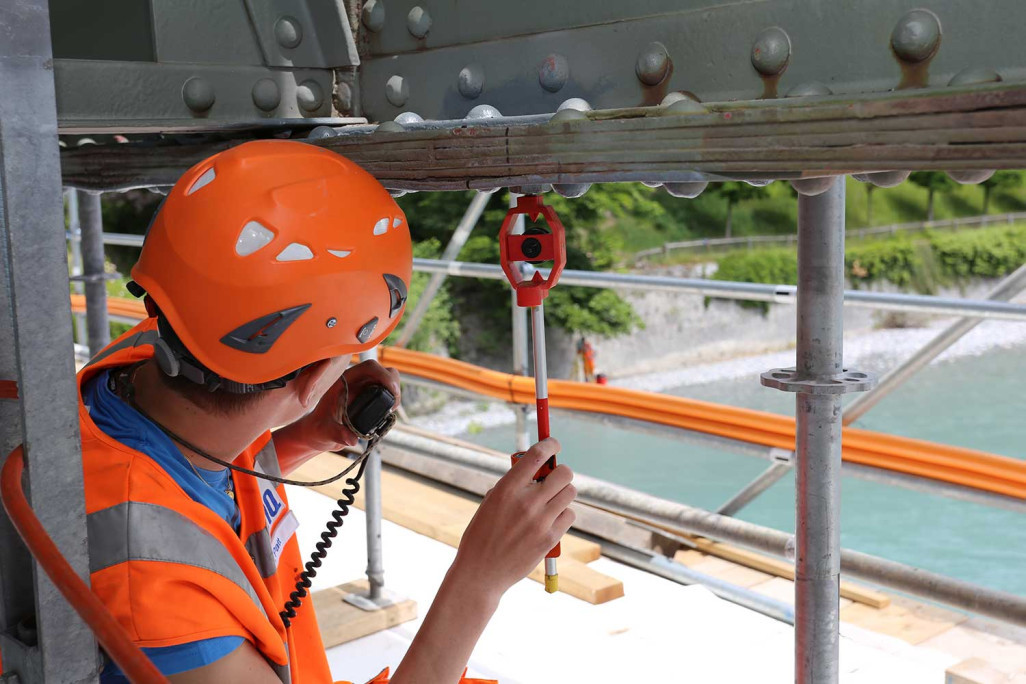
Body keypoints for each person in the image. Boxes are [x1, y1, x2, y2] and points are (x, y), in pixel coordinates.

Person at [78, 141, 577, 684]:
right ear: (316, 379)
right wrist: (478, 579)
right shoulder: (156, 589)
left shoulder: (163, 341)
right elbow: (169, 544)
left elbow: (188, 479)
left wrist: (306, 437)